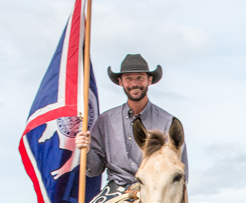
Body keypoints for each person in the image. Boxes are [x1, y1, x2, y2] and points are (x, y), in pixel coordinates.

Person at [75, 54, 188, 186]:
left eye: (140, 78)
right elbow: (95, 170)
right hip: (115, 189)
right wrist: (86, 149)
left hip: (155, 190)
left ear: (149, 80)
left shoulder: (168, 122)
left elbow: (179, 170)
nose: (134, 84)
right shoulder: (105, 120)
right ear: (120, 82)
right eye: (128, 79)